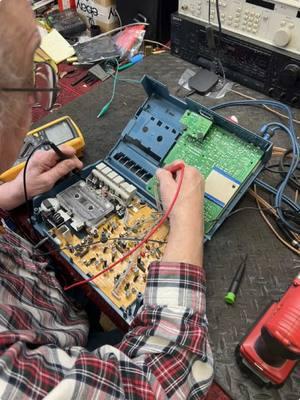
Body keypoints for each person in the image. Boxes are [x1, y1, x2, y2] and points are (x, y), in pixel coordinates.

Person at [0, 1, 213, 398]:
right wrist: (186, 222)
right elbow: (166, 380)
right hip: (71, 346)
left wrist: (11, 193)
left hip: (56, 307)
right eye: (33, 64)